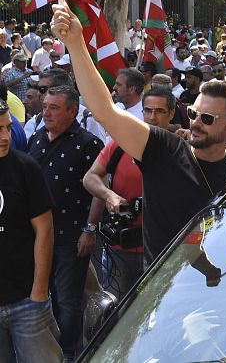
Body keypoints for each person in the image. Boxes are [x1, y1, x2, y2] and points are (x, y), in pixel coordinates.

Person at [52, 2, 226, 268]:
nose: (196, 123)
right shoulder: (165, 149)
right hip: (161, 297)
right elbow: (104, 112)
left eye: (208, 118)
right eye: (192, 113)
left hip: (216, 288)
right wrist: (75, 44)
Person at [28, 85, 104, 360]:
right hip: (35, 236)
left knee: (67, 299)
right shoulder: (36, 138)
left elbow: (99, 189)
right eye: (45, 106)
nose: (46, 112)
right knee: (38, 295)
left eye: (54, 108)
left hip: (71, 236)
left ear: (72, 112)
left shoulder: (88, 144)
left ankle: (69, 354)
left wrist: (89, 230)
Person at [82, 87, 176, 299]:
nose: (153, 117)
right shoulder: (120, 144)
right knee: (116, 311)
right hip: (121, 249)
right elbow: (90, 177)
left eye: (160, 111)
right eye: (148, 110)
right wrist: (109, 195)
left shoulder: (182, 150)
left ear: (171, 114)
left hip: (164, 249)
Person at [0, 97, 62, 362]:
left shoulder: (25, 168)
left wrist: (38, 292)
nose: (5, 136)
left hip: (26, 300)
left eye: (7, 128)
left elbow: (45, 232)